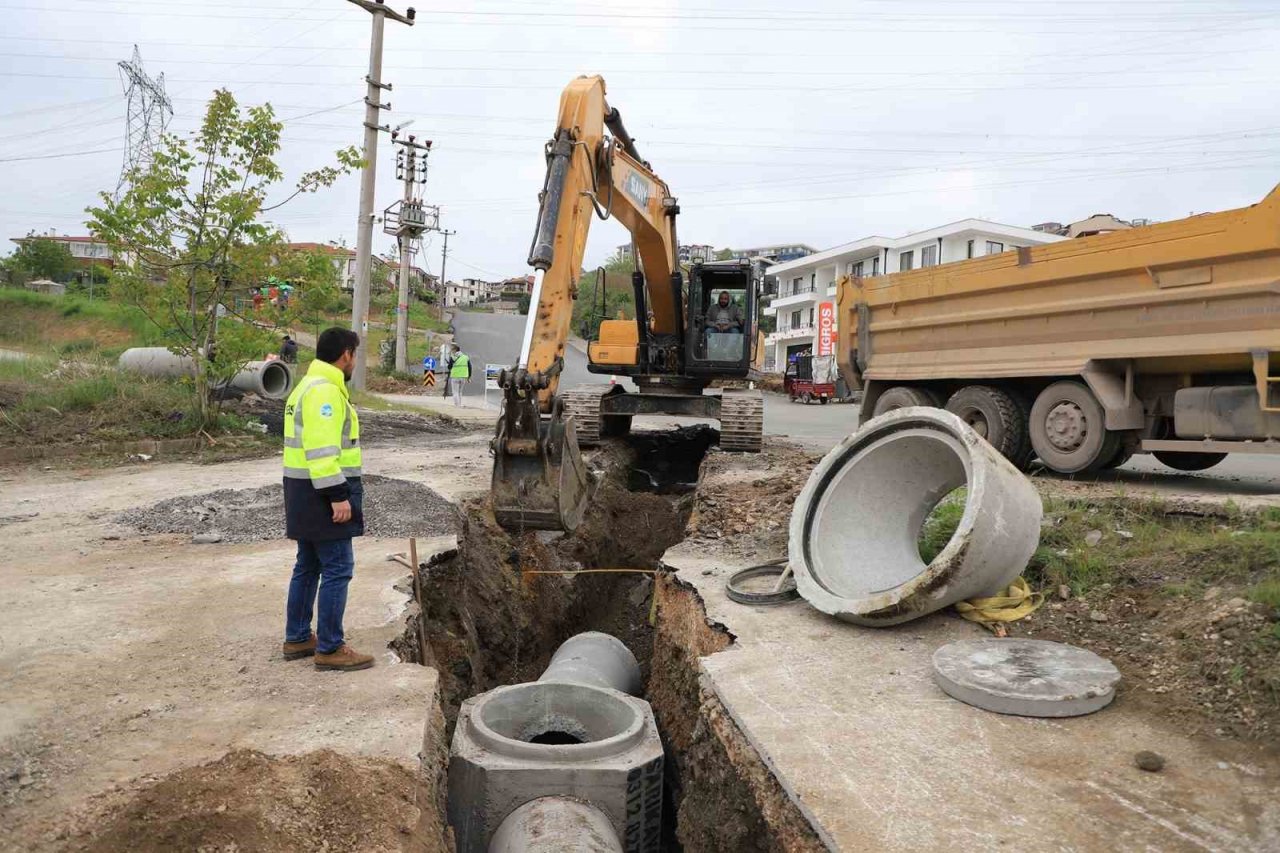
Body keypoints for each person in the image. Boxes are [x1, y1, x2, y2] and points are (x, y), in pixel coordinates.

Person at [280, 327, 373, 672]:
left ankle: (299, 636)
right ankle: (331, 647)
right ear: (346, 354)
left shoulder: (307, 385)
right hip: (323, 493)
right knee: (338, 568)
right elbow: (322, 452)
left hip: (302, 491)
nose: (355, 362)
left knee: (308, 565)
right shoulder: (325, 393)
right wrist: (338, 496)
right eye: (355, 355)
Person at [449, 342, 471, 407]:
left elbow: (449, 367)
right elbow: (470, 367)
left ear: (455, 350)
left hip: (455, 377)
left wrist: (451, 364)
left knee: (455, 392)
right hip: (463, 377)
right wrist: (469, 377)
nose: (452, 351)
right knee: (460, 392)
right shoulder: (466, 357)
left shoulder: (453, 357)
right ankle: (460, 404)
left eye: (452, 350)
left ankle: (457, 405)